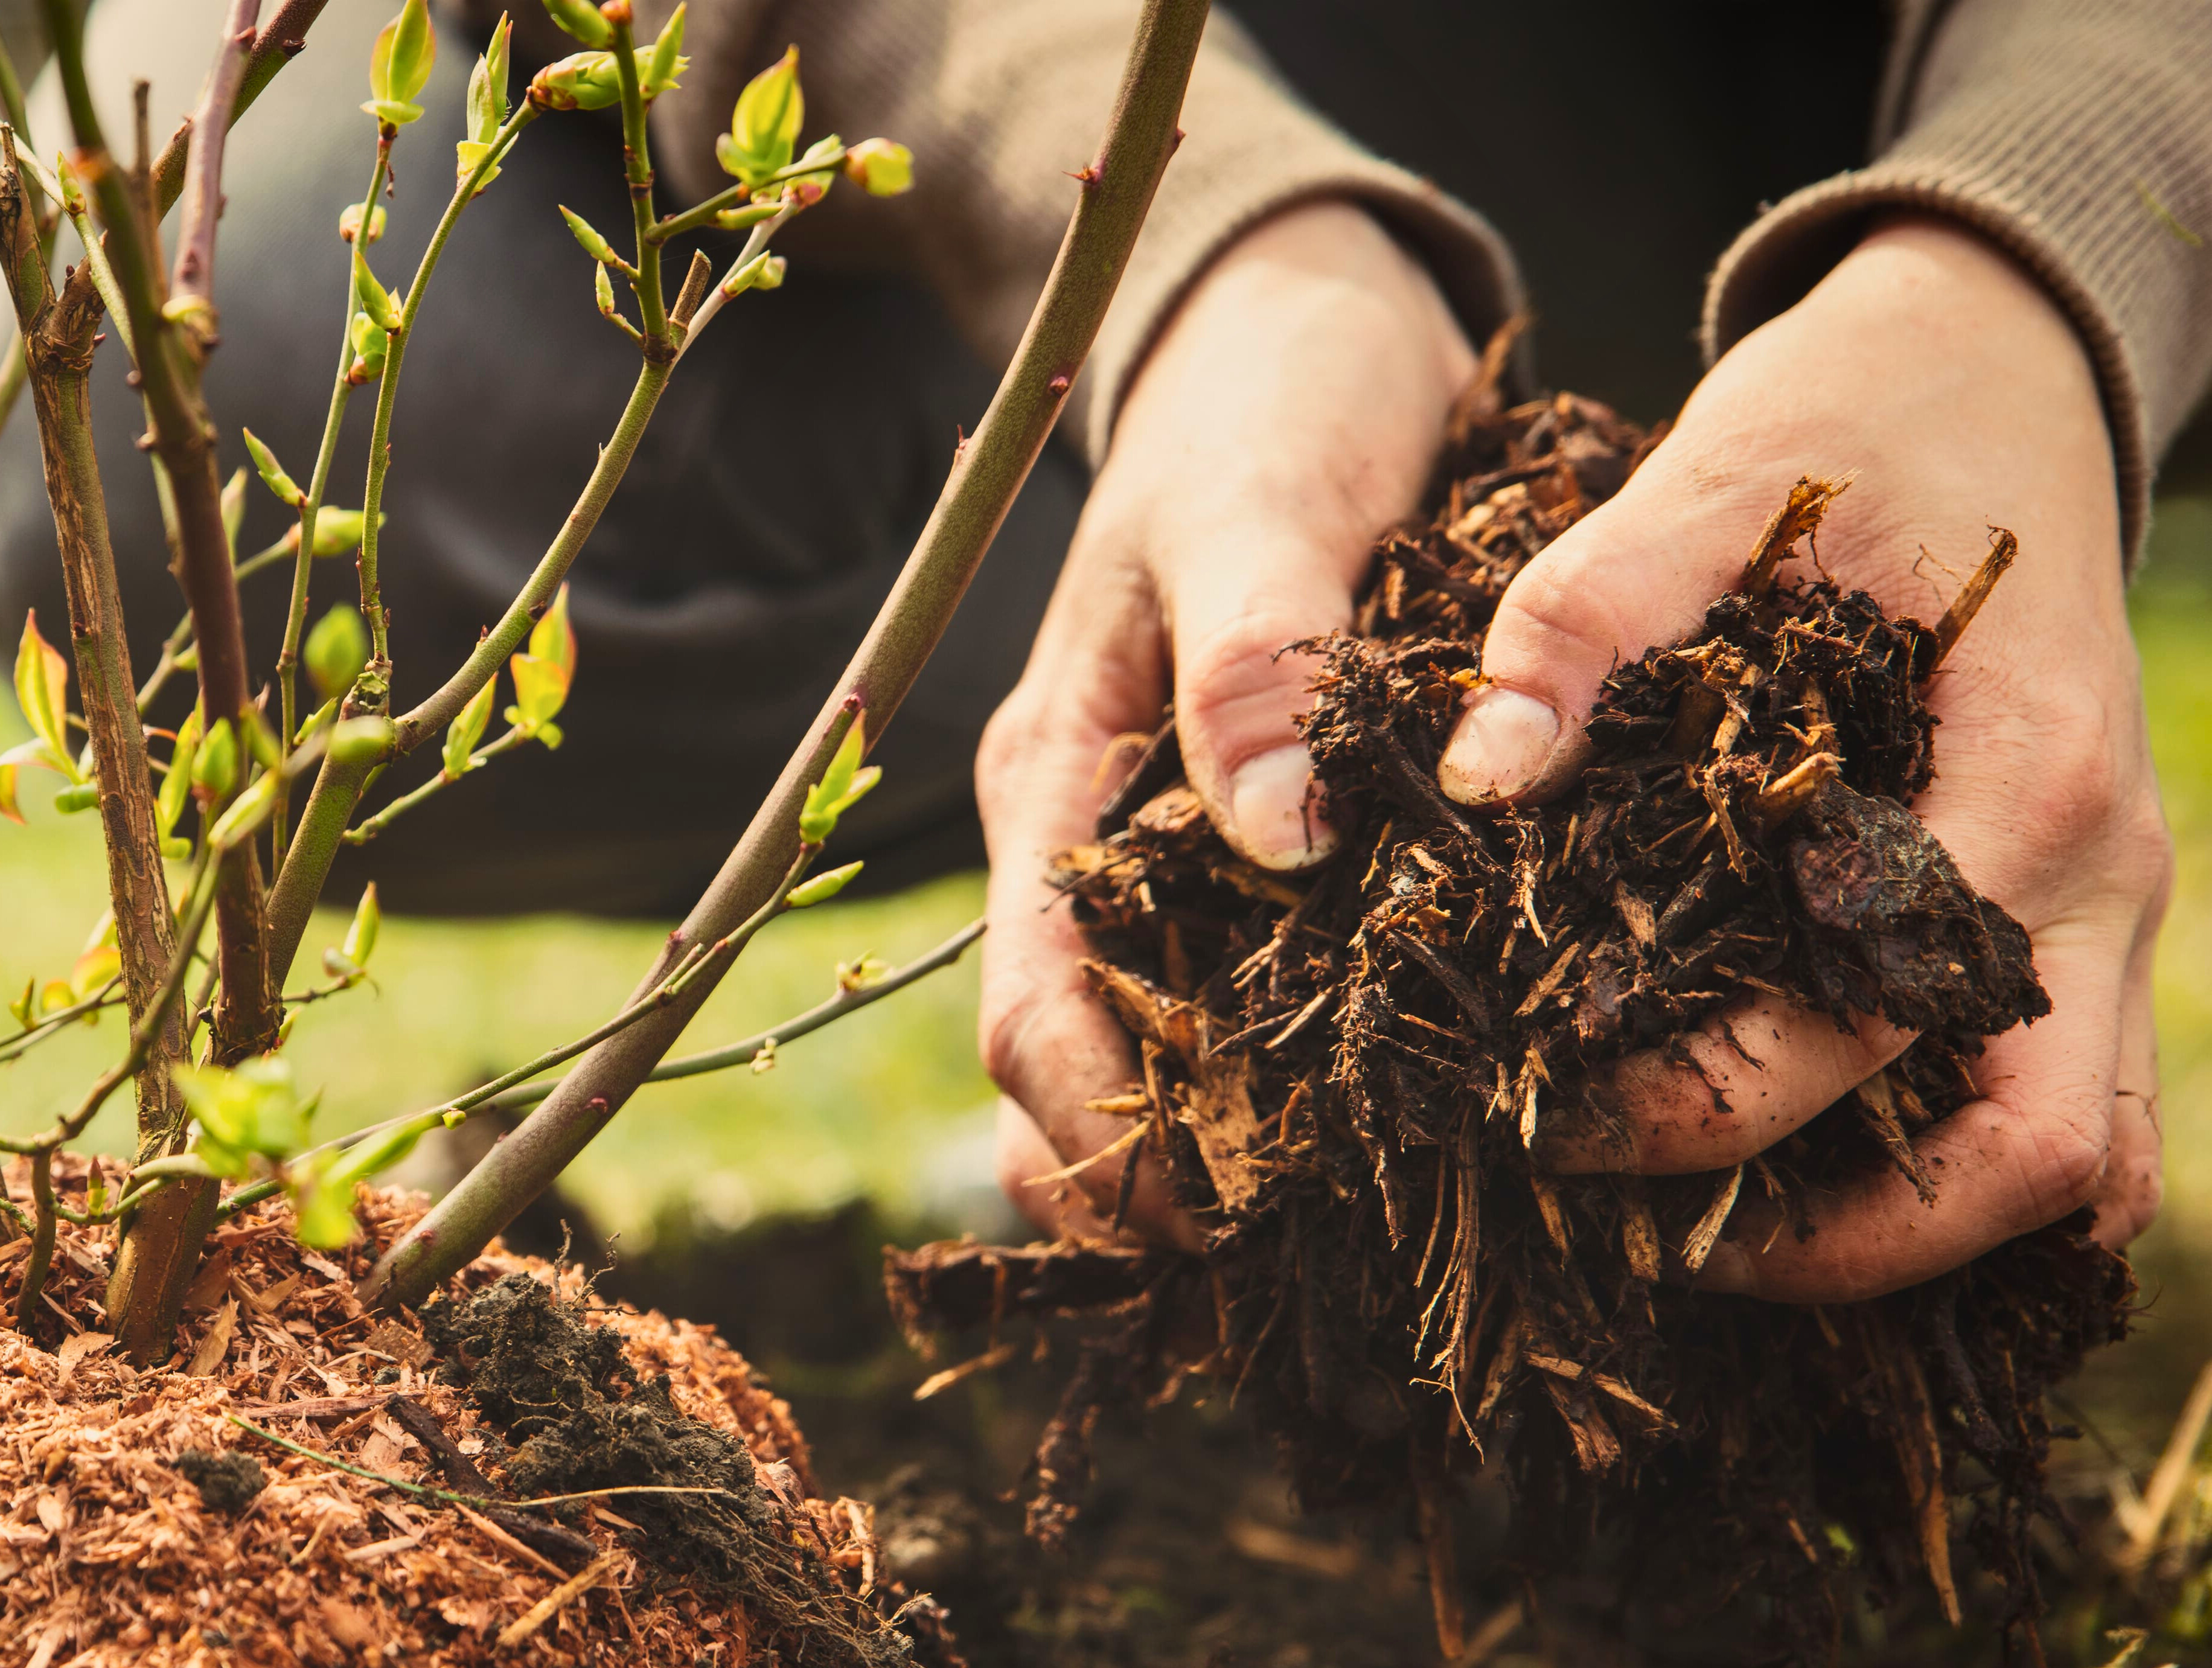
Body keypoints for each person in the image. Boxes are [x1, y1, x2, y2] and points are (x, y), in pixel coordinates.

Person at [1, 0, 2203, 1301]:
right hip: (1082, 90)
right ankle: (1210, 720)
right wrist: (1196, 223)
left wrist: (2050, 251)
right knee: (86, 433)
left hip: (1854, 80)